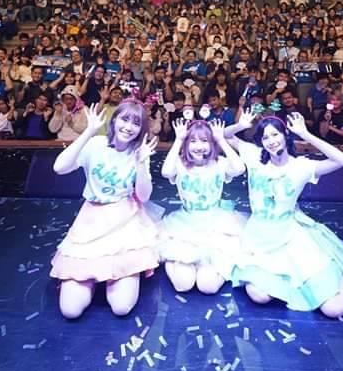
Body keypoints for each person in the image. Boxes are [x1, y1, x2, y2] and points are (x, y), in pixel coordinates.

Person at [223, 111, 343, 318]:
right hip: (258, 239)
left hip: (290, 238)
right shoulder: (254, 156)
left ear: (285, 135)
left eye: (275, 134)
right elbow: (225, 135)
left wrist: (305, 134)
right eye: (265, 137)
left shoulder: (301, 166)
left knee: (334, 310)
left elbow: (340, 160)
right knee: (259, 296)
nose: (271, 141)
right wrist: (240, 125)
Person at [50, 101, 162, 318]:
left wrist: (141, 163)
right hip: (90, 222)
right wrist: (88, 132)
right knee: (70, 310)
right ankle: (91, 279)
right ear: (115, 119)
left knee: (121, 307)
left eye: (136, 123)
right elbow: (59, 167)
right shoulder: (96, 144)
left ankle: (117, 276)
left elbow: (144, 196)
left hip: (125, 221)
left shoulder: (139, 152)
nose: (128, 127)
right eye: (124, 119)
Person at [158, 118, 248, 294]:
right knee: (183, 284)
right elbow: (166, 172)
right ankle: (174, 259)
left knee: (208, 287)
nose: (199, 146)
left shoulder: (220, 163)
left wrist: (221, 139)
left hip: (216, 225)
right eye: (193, 141)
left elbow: (239, 168)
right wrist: (178, 140)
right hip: (184, 226)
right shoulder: (180, 164)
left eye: (204, 140)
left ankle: (212, 266)